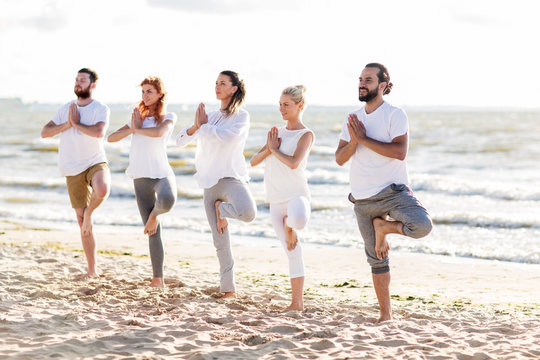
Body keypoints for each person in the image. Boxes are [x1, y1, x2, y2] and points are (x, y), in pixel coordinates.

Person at [335, 63, 433, 322]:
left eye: (368, 79)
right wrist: (355, 140)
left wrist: (364, 139)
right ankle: (386, 316)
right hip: (363, 200)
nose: (361, 83)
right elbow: (340, 158)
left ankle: (385, 228)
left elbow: (400, 152)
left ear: (382, 85)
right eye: (360, 79)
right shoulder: (353, 118)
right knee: (376, 260)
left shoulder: (395, 114)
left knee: (422, 226)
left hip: (393, 192)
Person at [176, 70, 256, 298]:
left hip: (231, 178)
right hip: (209, 182)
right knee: (220, 241)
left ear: (234, 88)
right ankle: (228, 289)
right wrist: (195, 126)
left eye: (223, 83)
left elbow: (229, 136)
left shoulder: (242, 116)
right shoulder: (208, 116)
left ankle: (222, 209)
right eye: (216, 83)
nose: (218, 86)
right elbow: (181, 141)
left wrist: (203, 127)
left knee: (248, 213)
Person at [41, 68, 111, 279]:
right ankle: (91, 270)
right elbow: (45, 133)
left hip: (95, 161)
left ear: (93, 85)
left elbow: (98, 132)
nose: (78, 83)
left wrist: (77, 124)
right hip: (72, 168)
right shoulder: (66, 109)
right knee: (81, 222)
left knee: (102, 188)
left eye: (83, 80)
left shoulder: (100, 109)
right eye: (77, 80)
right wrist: (67, 124)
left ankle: (90, 213)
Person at [107, 76, 177, 288]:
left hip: (161, 173)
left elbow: (158, 133)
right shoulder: (137, 119)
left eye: (149, 91)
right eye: (143, 91)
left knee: (168, 199)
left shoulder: (168, 117)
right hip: (140, 178)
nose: (145, 96)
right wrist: (132, 127)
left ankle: (154, 215)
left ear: (160, 95)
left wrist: (136, 129)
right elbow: (111, 138)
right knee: (153, 232)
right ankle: (158, 279)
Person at [250, 85, 314, 311]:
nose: (282, 109)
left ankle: (289, 226)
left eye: (286, 105)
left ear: (300, 106)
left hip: (296, 195)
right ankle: (297, 304)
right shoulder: (276, 132)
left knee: (298, 221)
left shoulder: (306, 135)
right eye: (280, 104)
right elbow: (253, 161)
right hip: (275, 200)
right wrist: (270, 148)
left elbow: (294, 162)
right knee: (292, 252)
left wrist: (274, 150)